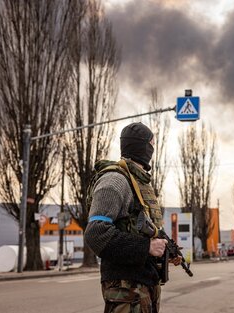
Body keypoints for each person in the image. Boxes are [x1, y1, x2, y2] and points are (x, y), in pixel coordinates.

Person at [84, 122, 179, 313]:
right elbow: (96, 233)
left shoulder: (137, 182)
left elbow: (141, 228)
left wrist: (166, 248)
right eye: (152, 144)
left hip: (141, 287)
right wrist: (147, 247)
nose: (153, 149)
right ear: (145, 146)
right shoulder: (115, 181)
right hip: (126, 291)